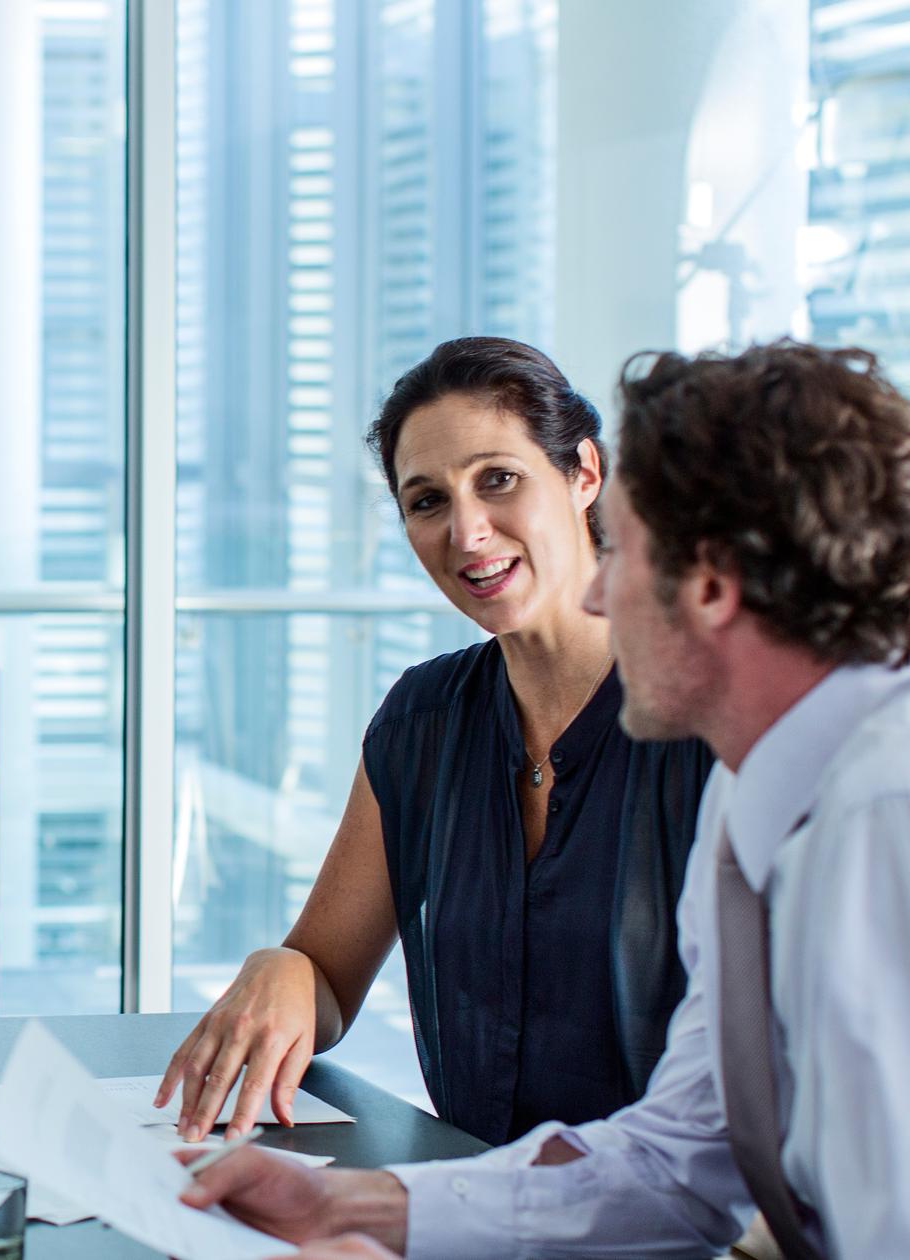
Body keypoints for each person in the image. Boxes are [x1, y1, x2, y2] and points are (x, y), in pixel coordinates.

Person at [181, 341, 910, 1258]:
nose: (601, 588)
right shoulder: (761, 802)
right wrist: (352, 1209)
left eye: (624, 552)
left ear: (709, 586)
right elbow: (673, 1167)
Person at [157, 337, 712, 1144]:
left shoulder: (704, 719)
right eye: (427, 501)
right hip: (472, 1206)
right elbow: (329, 980)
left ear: (584, 474)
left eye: (499, 480)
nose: (468, 531)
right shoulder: (427, 719)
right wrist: (282, 969)